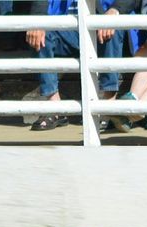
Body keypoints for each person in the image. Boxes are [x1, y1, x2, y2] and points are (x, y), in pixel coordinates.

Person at [26, 0, 128, 131]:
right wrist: (38, 19)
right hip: (65, 25)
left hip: (102, 25)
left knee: (112, 26)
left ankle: (108, 107)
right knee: (39, 33)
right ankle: (55, 108)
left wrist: (115, 9)